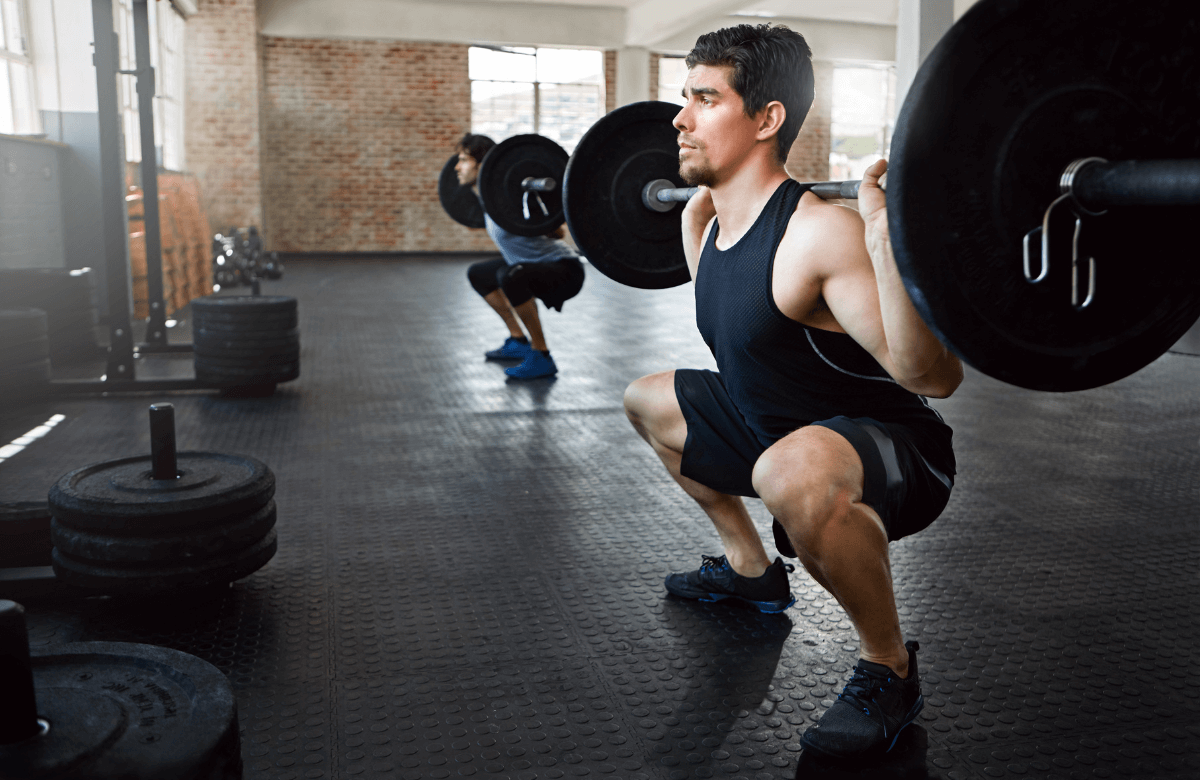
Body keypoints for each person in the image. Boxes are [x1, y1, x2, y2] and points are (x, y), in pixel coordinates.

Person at [621, 25, 963, 758]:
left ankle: (888, 665)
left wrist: (879, 238)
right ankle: (751, 570)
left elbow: (936, 378)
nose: (679, 118)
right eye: (685, 97)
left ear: (767, 119)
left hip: (897, 451)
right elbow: (743, 346)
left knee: (790, 471)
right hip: (779, 426)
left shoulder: (819, 234)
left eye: (705, 99)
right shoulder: (705, 222)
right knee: (649, 398)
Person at [455, 133, 585, 380]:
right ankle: (518, 340)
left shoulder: (511, 198)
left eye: (463, 160)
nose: (456, 167)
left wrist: (535, 214)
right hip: (528, 266)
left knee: (511, 275)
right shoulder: (487, 198)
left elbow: (557, 232)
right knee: (479, 274)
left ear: (482, 165)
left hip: (564, 269)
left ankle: (542, 355)